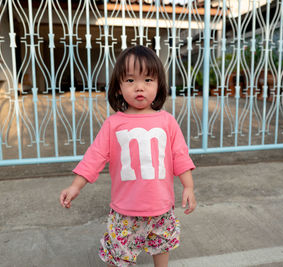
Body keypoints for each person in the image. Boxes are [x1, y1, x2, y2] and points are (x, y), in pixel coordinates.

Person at [60, 45, 196, 267]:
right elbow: (95, 156)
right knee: (118, 254)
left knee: (162, 245)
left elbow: (180, 155)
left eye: (148, 80)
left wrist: (188, 187)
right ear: (118, 86)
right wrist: (76, 186)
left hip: (161, 207)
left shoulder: (167, 121)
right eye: (130, 80)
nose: (139, 87)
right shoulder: (114, 124)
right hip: (125, 210)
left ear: (159, 84)